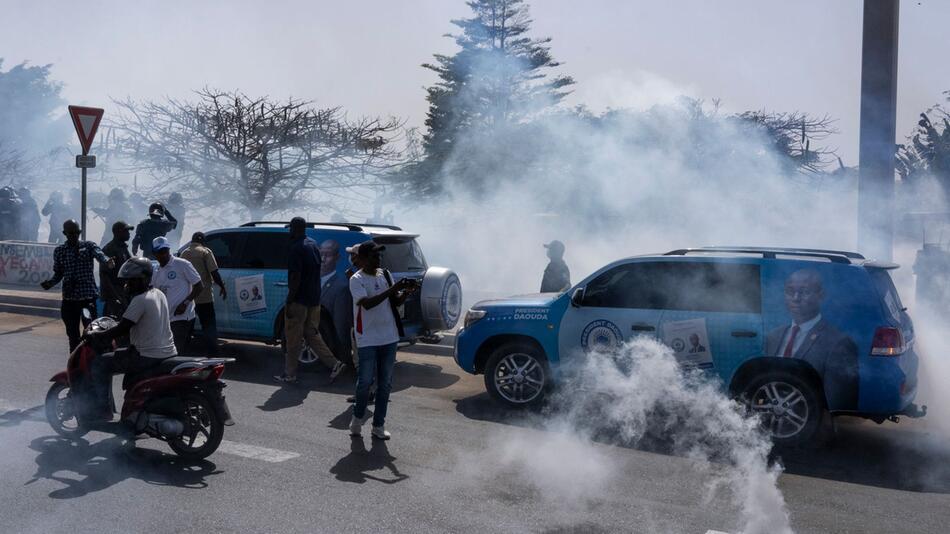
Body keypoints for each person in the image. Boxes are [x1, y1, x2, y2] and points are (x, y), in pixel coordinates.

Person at [86, 257, 178, 419]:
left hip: (145, 356)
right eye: (127, 282)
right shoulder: (158, 294)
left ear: (144, 279)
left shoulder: (140, 300)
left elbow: (122, 328)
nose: (127, 285)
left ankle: (102, 410)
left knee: (100, 364)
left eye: (132, 281)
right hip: (167, 352)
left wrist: (97, 335)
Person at [348, 241, 418, 440]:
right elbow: (367, 304)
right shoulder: (356, 279)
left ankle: (378, 425)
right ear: (362, 259)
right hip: (367, 338)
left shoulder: (385, 275)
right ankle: (357, 417)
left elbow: (394, 301)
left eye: (379, 256)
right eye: (374, 256)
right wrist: (393, 287)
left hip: (389, 336)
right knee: (365, 382)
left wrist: (406, 292)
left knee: (385, 384)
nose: (378, 259)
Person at [765, 269, 859, 409]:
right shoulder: (773, 336)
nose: (796, 298)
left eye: (804, 292)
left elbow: (838, 401)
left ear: (821, 295)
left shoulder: (838, 342)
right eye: (790, 291)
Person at [274, 217, 340, 384]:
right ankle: (335, 364)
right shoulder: (313, 245)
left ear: (294, 229)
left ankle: (289, 374)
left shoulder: (296, 248)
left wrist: (290, 299)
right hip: (315, 299)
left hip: (299, 300)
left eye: (290, 229)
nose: (289, 232)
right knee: (312, 334)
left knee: (293, 338)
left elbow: (295, 277)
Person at [40, 220, 115, 353]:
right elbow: (59, 273)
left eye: (77, 232)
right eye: (71, 233)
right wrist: (50, 283)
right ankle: (75, 363)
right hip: (70, 299)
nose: (74, 235)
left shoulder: (88, 246)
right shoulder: (60, 251)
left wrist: (107, 261)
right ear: (64, 233)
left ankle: (94, 362)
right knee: (72, 336)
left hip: (87, 297)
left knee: (92, 333)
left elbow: (100, 255)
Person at [152, 236, 203, 355]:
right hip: (165, 318)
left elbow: (199, 286)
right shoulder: (155, 270)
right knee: (167, 350)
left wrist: (185, 303)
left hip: (182, 317)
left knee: (177, 351)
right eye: (160, 252)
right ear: (154, 253)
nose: (164, 254)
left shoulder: (182, 264)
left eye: (165, 251)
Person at [180, 232, 227, 356]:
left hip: (189, 297)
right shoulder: (205, 252)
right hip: (204, 297)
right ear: (203, 242)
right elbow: (214, 272)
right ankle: (213, 354)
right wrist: (222, 286)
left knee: (187, 326)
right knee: (208, 326)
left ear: (192, 240)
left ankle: (182, 352)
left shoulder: (184, 253)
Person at [319, 239, 354, 369]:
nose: (322, 259)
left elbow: (341, 326)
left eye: (327, 255)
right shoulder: (312, 281)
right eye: (320, 254)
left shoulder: (340, 287)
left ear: (337, 257)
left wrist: (342, 357)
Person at [100, 221, 134, 318]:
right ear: (118, 232)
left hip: (124, 292)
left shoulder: (123, 247)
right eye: (126, 231)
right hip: (115, 295)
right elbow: (104, 276)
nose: (129, 234)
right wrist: (116, 297)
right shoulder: (109, 249)